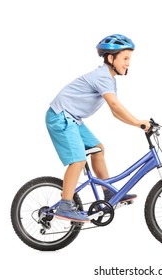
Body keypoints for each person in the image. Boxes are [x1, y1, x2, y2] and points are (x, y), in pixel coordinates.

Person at [45, 34, 150, 223]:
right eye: (125, 59)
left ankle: (108, 194)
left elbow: (114, 112)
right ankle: (65, 205)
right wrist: (138, 122)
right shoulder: (102, 76)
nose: (128, 63)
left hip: (72, 117)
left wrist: (137, 124)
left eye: (129, 59)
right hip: (60, 116)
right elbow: (115, 106)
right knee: (78, 159)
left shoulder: (109, 79)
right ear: (111, 58)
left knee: (98, 149)